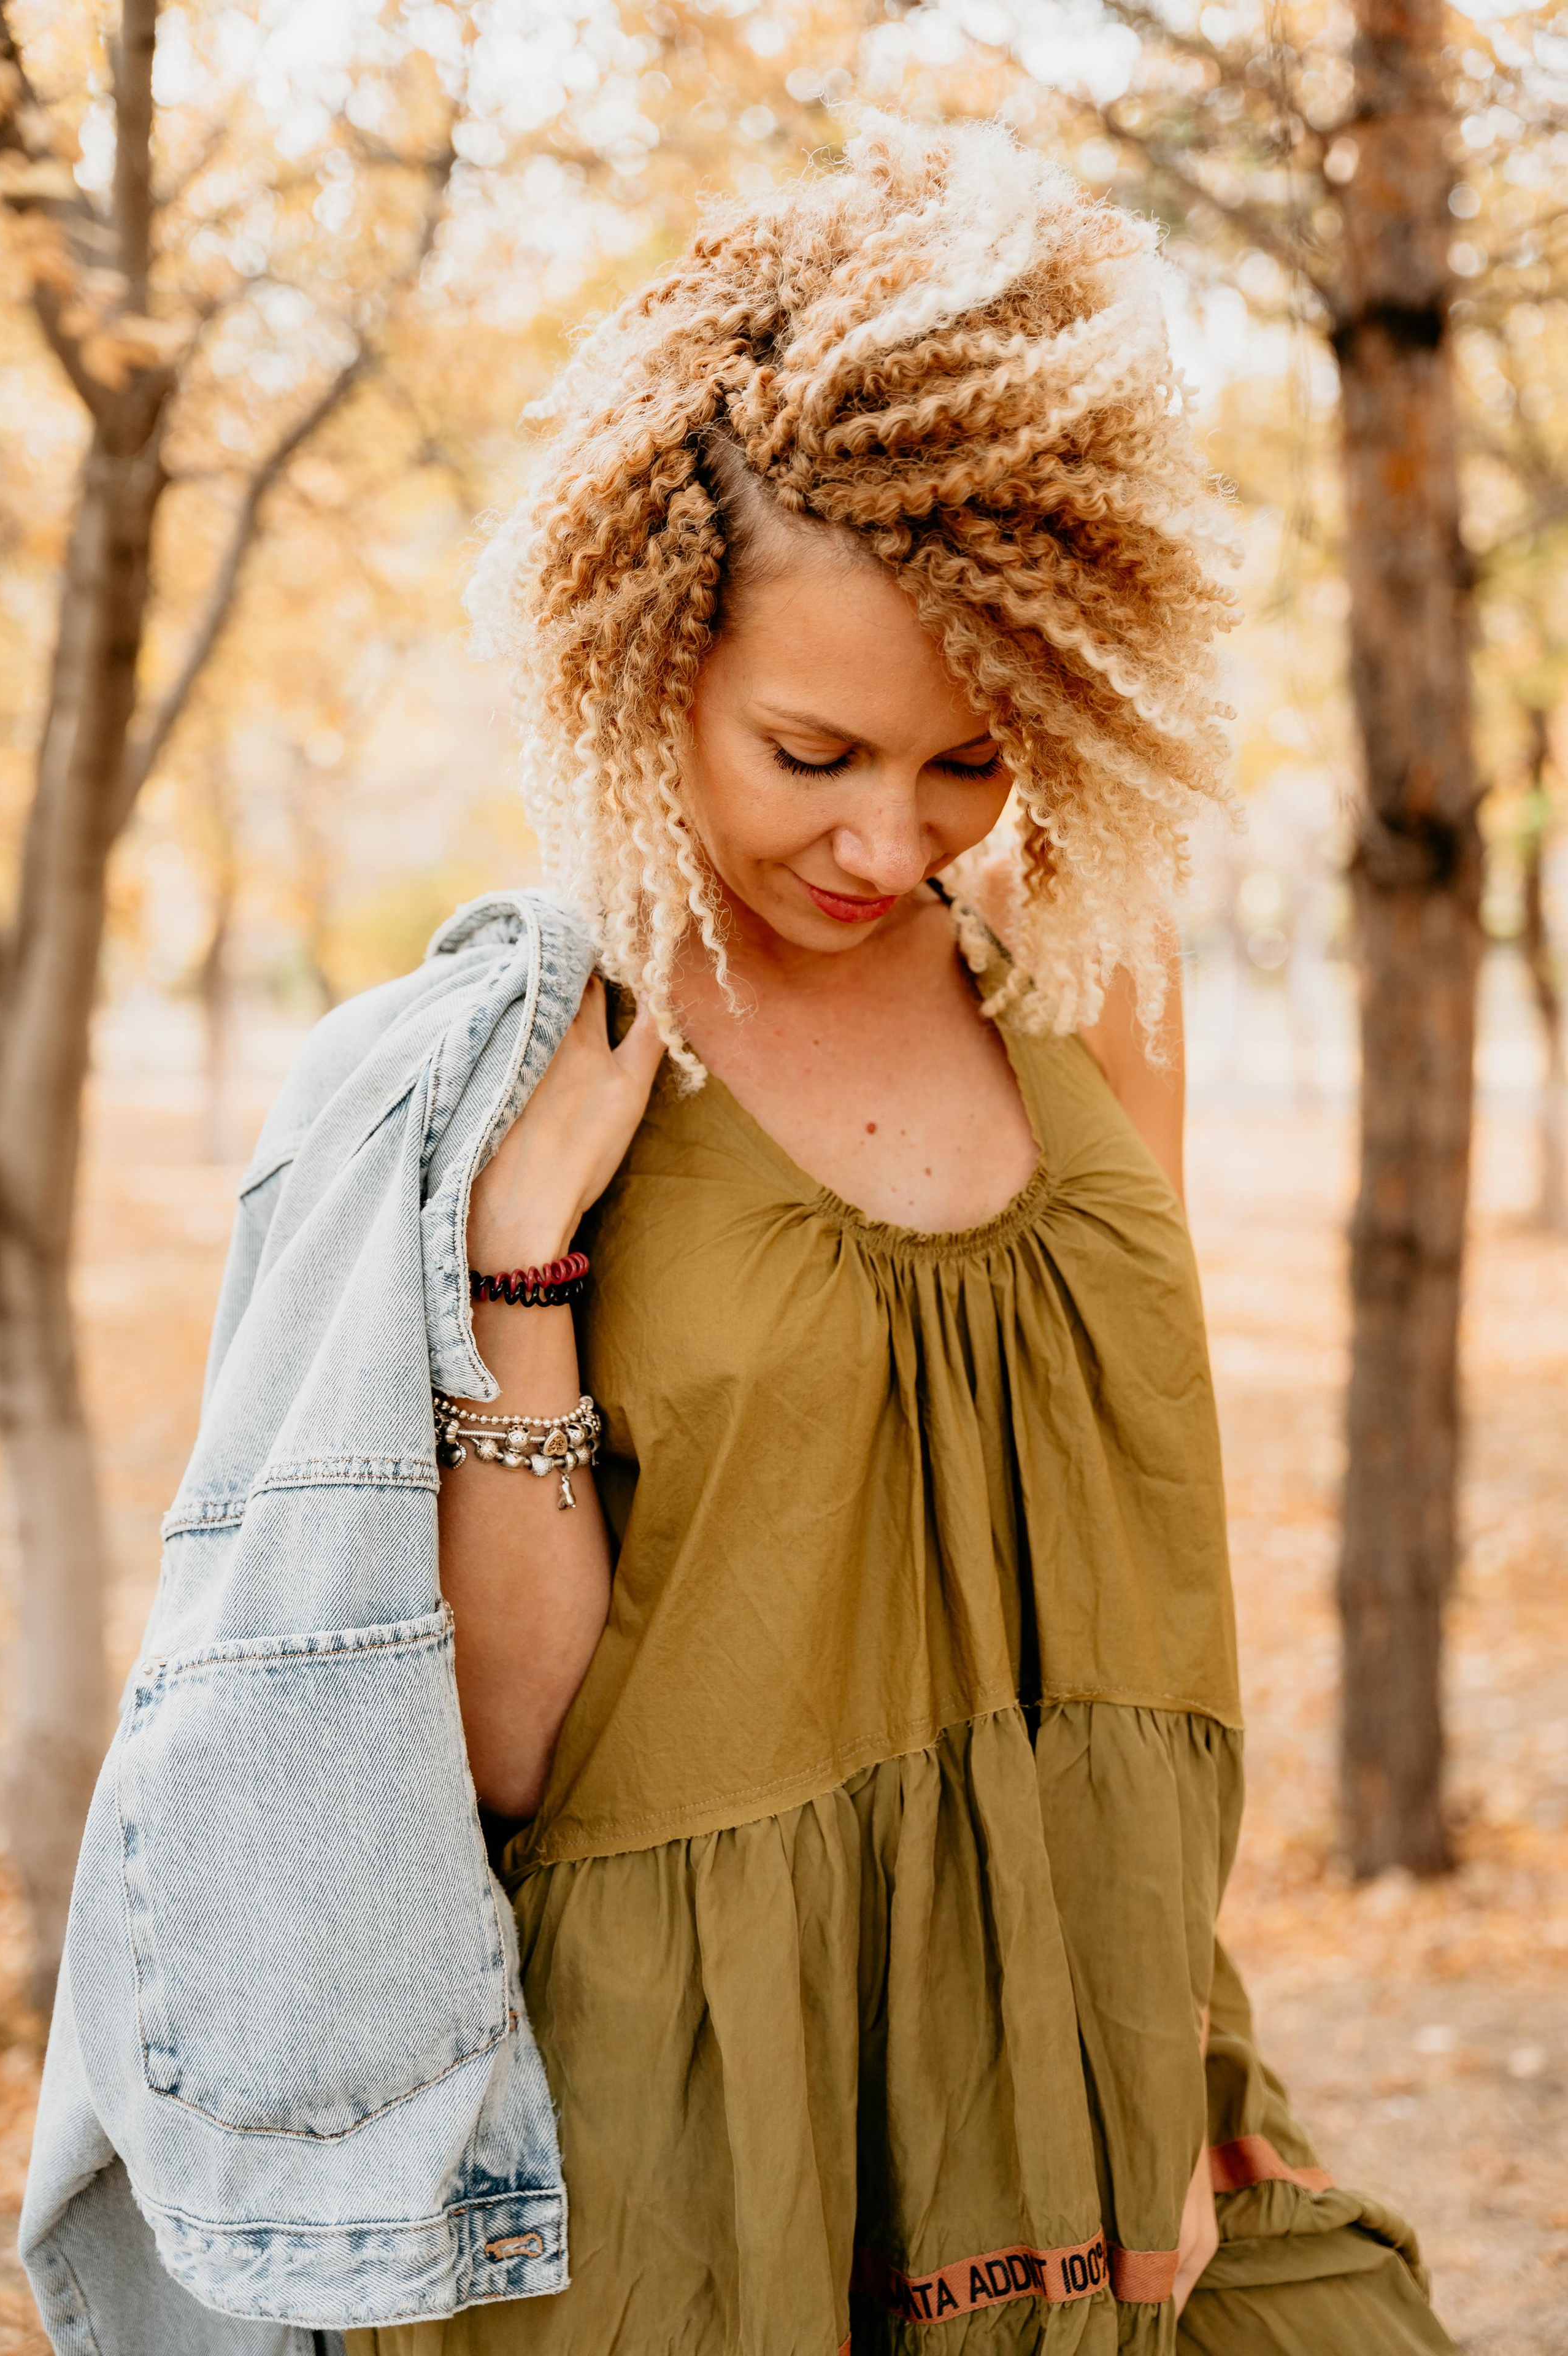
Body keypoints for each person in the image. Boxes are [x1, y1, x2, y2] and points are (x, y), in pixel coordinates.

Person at [344, 117, 1457, 2356]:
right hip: (699, 2122)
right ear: (647, 656)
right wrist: (521, 1264)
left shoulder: (1080, 976)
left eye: (967, 761)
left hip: (1086, 2019)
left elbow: (1124, 1539)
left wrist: (1140, 2004)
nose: (886, 836)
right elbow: (515, 1750)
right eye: (813, 749)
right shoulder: (538, 1048)